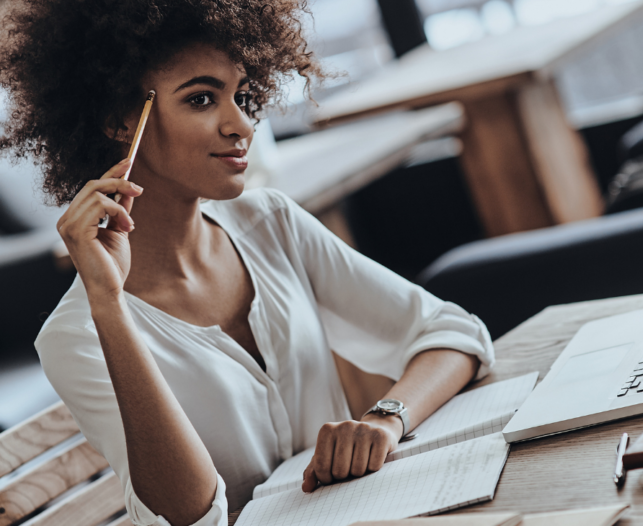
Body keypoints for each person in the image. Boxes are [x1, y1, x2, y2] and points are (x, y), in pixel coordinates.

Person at [0, 1, 495, 525]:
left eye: (241, 95)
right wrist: (109, 306)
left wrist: (385, 420)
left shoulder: (270, 223)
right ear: (120, 122)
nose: (242, 125)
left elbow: (454, 333)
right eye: (201, 99)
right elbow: (190, 518)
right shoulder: (78, 335)